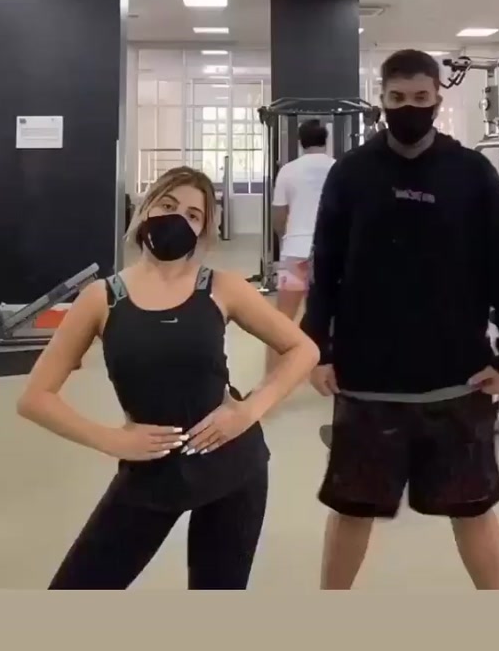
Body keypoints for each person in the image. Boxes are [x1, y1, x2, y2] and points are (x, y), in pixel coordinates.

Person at [17, 166, 319, 590]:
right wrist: (111, 439)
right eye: (168, 205)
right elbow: (35, 398)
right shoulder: (101, 299)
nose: (179, 219)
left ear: (203, 230)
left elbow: (304, 350)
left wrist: (248, 411)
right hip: (150, 475)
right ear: (145, 210)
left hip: (233, 469)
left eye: (194, 215)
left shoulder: (223, 288)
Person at [301, 49, 499, 591]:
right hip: (367, 379)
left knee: (473, 510)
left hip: (457, 378)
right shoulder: (351, 173)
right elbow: (326, 266)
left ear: (437, 99)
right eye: (398, 98)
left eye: (421, 97)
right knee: (352, 510)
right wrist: (318, 348)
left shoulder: (472, 173)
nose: (410, 107)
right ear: (382, 100)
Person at [267, 119, 335, 370]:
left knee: (281, 320)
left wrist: (285, 241)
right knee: (330, 318)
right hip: (327, 255)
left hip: (295, 253)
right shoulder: (338, 168)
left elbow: (278, 216)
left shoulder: (288, 170)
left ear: (300, 142)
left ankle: (272, 378)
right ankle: (331, 374)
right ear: (325, 140)